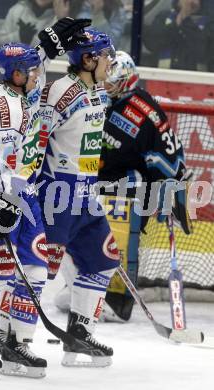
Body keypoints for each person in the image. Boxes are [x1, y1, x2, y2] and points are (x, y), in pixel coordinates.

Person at [0, 17, 91, 378]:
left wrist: (48, 45)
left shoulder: (24, 90)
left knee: (35, 267)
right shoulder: (5, 108)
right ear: (17, 75)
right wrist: (1, 196)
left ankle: (17, 343)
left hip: (26, 192)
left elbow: (35, 65)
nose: (39, 75)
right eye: (32, 71)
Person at [54, 51, 192, 323]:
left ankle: (116, 301)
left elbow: (172, 158)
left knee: (112, 242)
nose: (103, 84)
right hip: (93, 181)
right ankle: (86, 286)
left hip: (127, 191)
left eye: (110, 81)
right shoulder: (92, 98)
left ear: (126, 81)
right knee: (69, 236)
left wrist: (172, 190)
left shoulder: (145, 112)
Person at [37, 28, 120, 368]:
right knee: (36, 269)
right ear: (87, 59)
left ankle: (79, 334)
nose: (110, 62)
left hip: (86, 193)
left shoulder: (97, 91)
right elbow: (35, 137)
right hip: (58, 195)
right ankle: (0, 336)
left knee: (103, 259)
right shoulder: (61, 91)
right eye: (104, 56)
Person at [143, 0, 214, 71]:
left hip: (196, 78)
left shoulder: (209, 23)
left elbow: (205, 51)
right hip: (160, 76)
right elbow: (152, 43)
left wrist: (186, 20)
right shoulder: (163, 17)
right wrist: (176, 24)